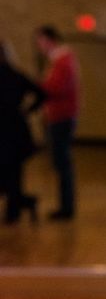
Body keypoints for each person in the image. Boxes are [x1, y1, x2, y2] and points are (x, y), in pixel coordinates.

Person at [35, 25, 80, 220]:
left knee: (62, 163)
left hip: (62, 116)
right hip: (59, 115)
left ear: (50, 40)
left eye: (41, 41)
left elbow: (55, 87)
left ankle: (66, 207)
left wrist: (38, 86)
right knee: (60, 162)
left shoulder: (62, 60)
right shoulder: (59, 60)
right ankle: (65, 205)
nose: (39, 46)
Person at [0, 42, 44, 223]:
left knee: (6, 170)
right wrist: (27, 110)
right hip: (16, 130)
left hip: (5, 130)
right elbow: (41, 93)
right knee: (15, 171)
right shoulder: (16, 74)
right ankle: (15, 209)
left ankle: (17, 204)